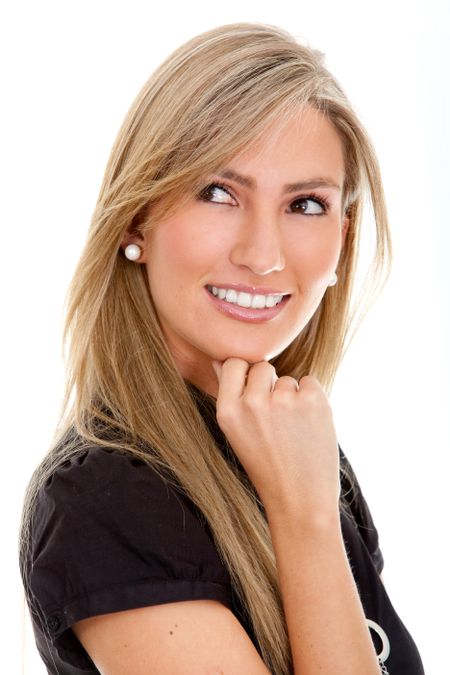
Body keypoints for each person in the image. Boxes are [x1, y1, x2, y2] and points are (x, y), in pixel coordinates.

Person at [19, 22, 424, 675]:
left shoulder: (296, 450)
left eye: (306, 204)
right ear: (136, 217)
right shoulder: (105, 499)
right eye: (218, 193)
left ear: (342, 240)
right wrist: (304, 516)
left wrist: (311, 502)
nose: (262, 255)